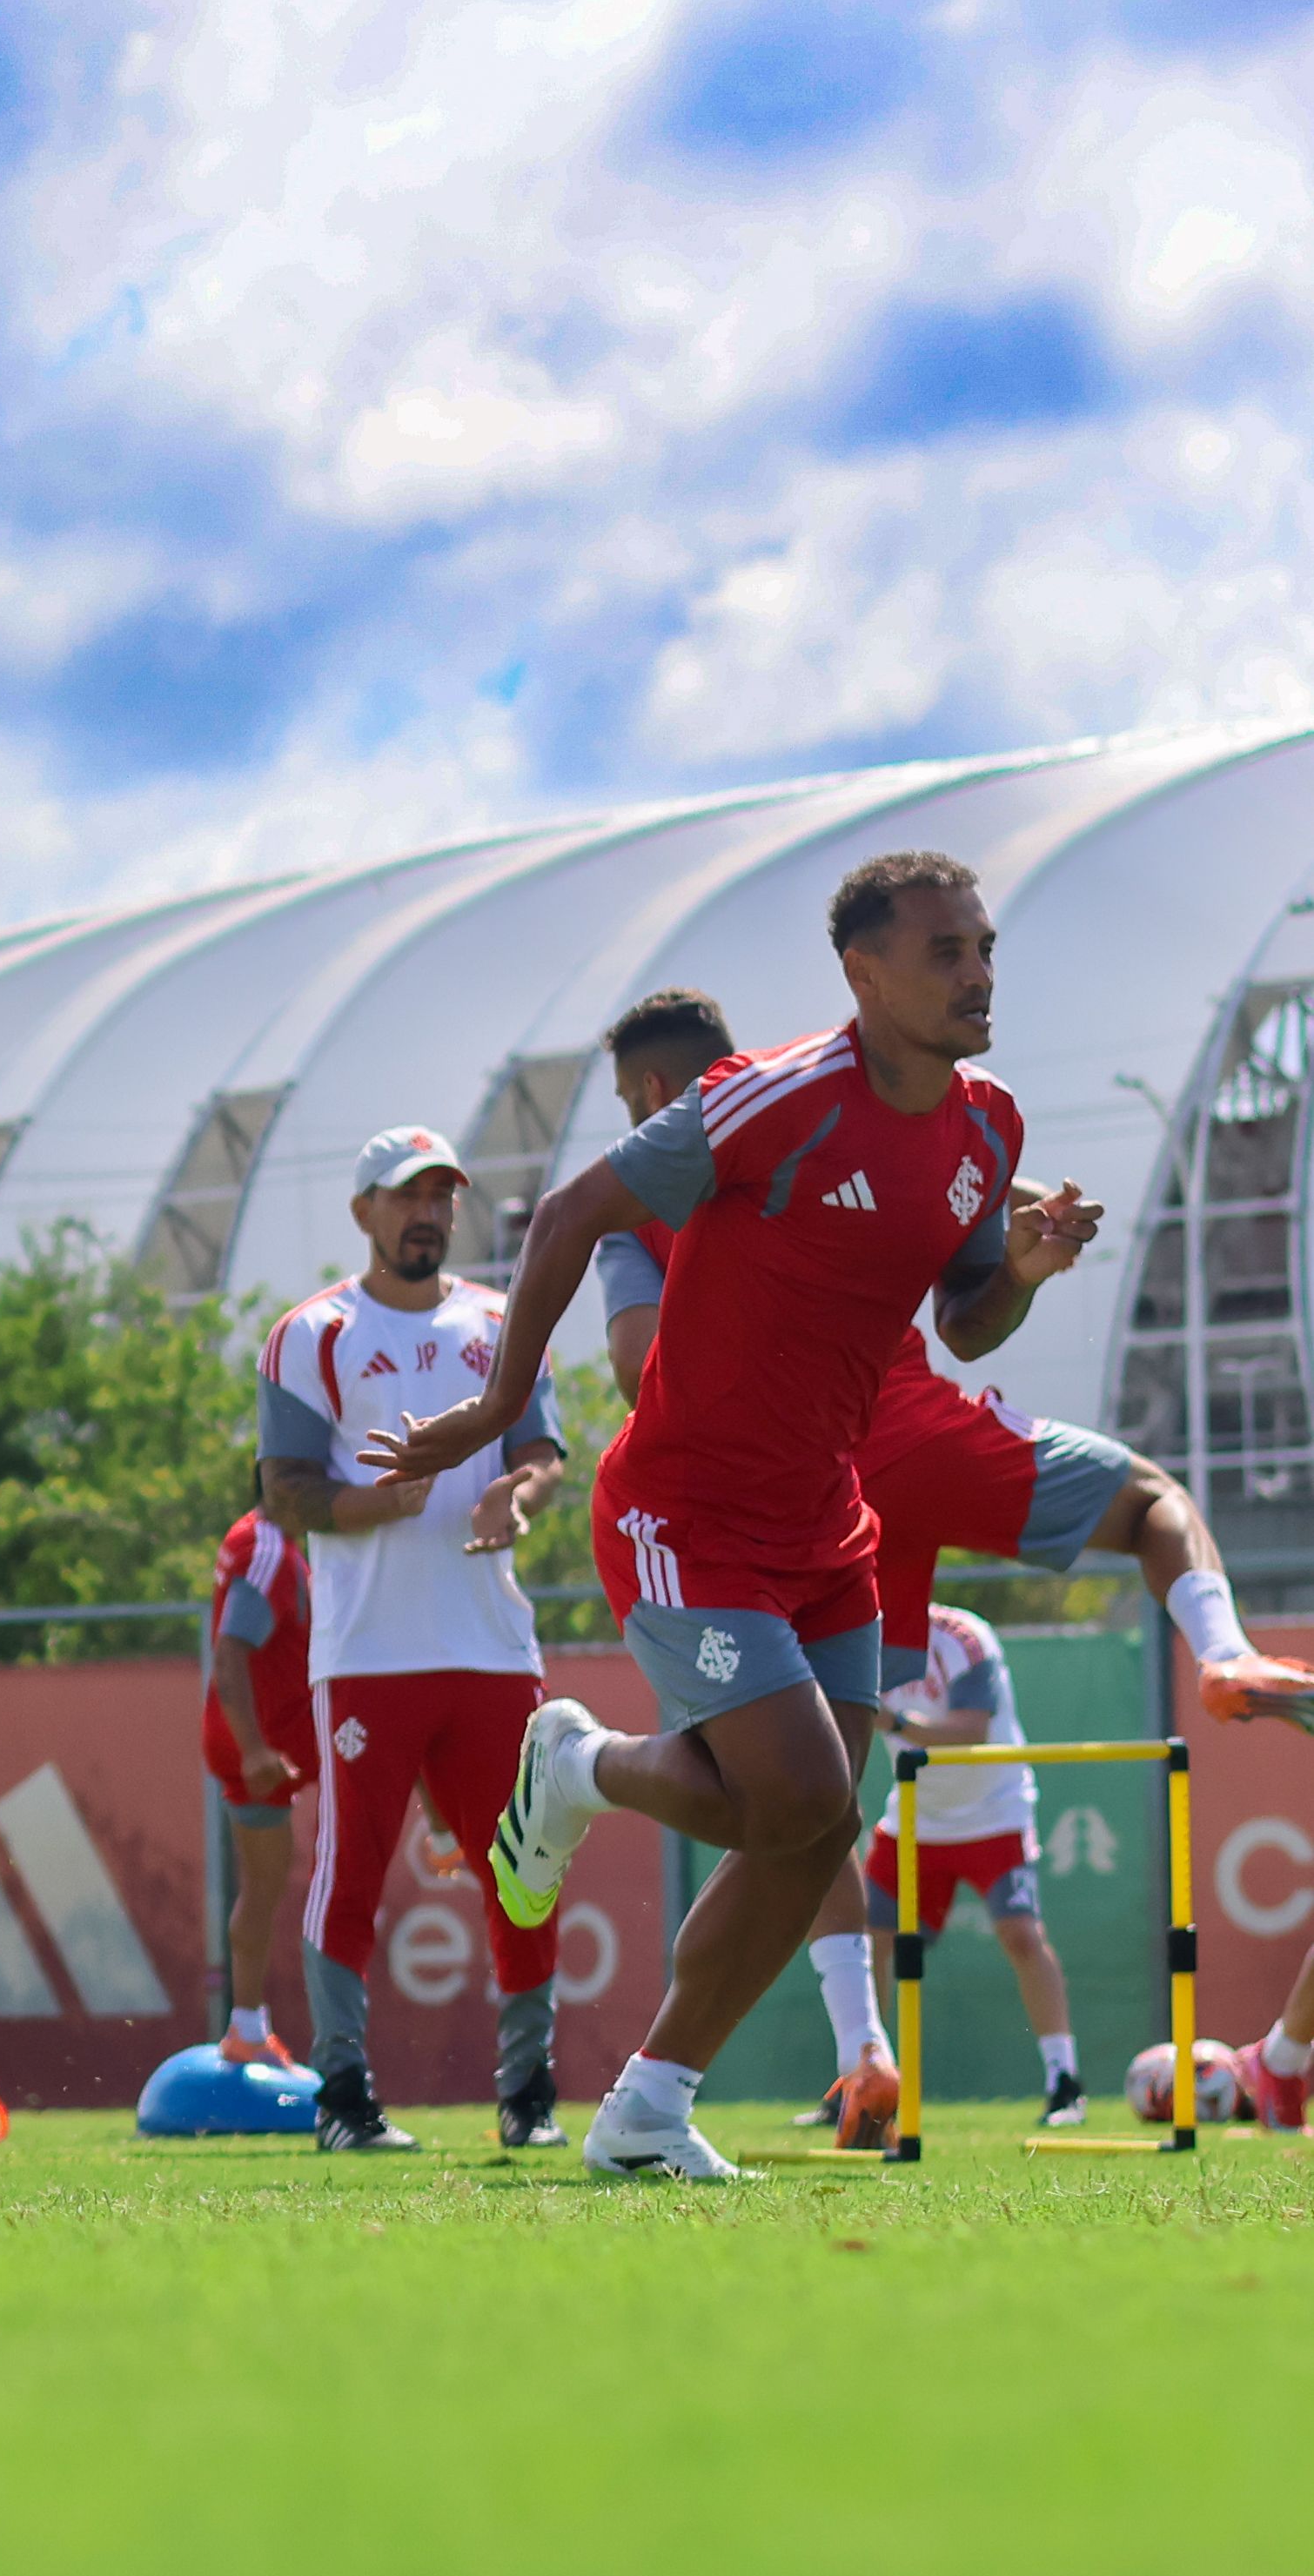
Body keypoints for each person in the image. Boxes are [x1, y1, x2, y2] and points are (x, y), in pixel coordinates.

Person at [406, 852, 1097, 2180]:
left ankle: (648, 2108)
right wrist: (501, 1405)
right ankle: (580, 1764)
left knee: (817, 1823)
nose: (978, 974)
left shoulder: (990, 1124)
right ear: (865, 972)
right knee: (803, 1792)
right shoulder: (771, 1098)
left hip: (827, 1521)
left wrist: (1016, 1268)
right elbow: (568, 1212)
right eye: (947, 951)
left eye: (986, 948)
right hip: (684, 1511)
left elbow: (961, 1319)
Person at [585, 983, 1314, 2143]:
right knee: (1148, 1500)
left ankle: (858, 2048)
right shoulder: (820, 1130)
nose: (632, 1119)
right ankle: (1223, 1657)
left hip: (807, 1491)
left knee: (813, 1800)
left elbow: (644, 1356)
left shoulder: (744, 1156)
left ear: (669, 1092)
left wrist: (1008, 1246)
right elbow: (946, 1231)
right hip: (861, 1456)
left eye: (635, 1098)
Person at [254, 1125, 571, 2154]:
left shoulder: (499, 1319)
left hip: (491, 1647)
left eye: (441, 1195)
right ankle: (343, 2097)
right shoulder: (311, 1332)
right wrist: (376, 1504)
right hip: (368, 1653)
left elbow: (543, 1457)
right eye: (406, 1195)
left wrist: (516, 1500)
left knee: (522, 1865)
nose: (426, 1212)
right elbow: (286, 1492)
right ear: (364, 1212)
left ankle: (528, 2096)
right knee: (348, 1878)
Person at [848, 1603, 1092, 2120]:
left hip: (995, 1811)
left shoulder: (962, 1635)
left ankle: (1064, 2081)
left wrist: (891, 1721)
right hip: (916, 1815)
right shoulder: (857, 1636)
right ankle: (861, 2080)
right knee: (869, 1944)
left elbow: (971, 1729)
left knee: (1021, 1934)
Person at [200, 1499, 317, 2069]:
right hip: (270, 1742)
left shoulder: (268, 1538)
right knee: (395, 1723)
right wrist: (253, 1748)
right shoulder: (267, 1547)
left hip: (260, 1736)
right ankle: (446, 1838)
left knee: (265, 1882)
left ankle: (245, 2025)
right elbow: (228, 1652)